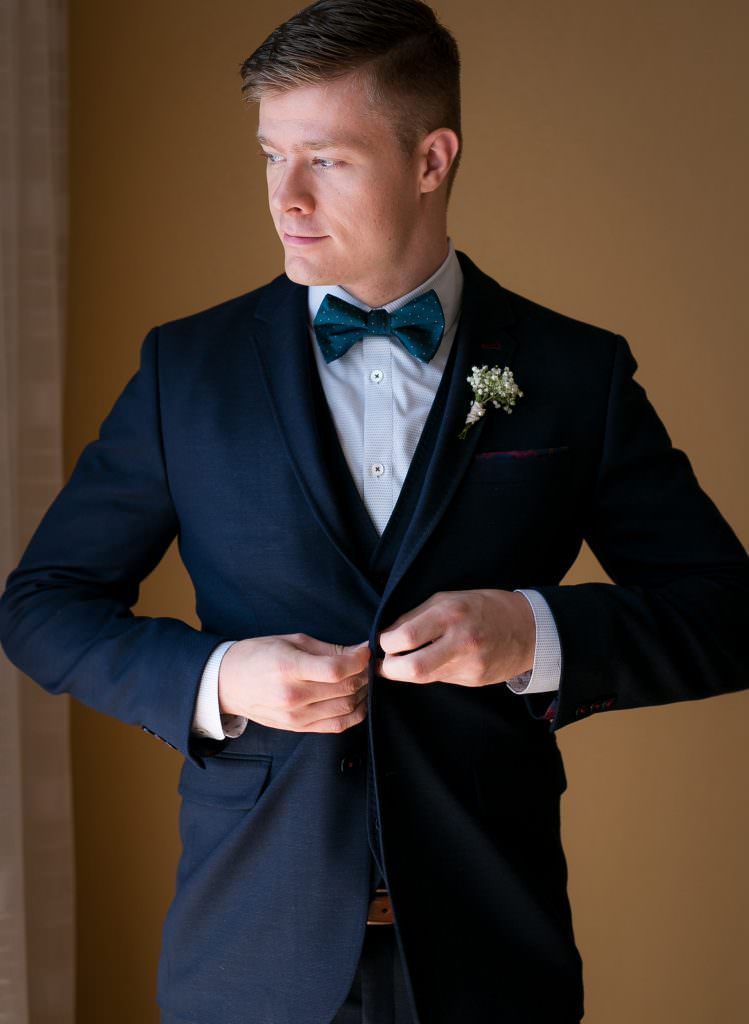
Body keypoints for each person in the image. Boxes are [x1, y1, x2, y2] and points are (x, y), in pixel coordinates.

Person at [0, 1, 747, 1022]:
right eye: (270, 156)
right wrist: (221, 678)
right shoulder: (189, 371)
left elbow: (726, 612)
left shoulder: (574, 373)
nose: (285, 199)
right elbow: (41, 605)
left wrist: (533, 630)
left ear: (430, 159)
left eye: (326, 160)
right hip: (249, 958)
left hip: (491, 957)